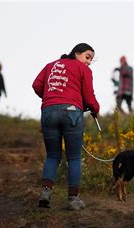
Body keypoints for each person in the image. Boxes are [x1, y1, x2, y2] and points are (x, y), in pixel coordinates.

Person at [32, 43, 100, 210]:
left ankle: (45, 195)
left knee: (52, 156)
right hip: (72, 113)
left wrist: (51, 96)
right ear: (76, 53)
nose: (89, 62)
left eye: (91, 59)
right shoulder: (83, 70)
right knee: (74, 157)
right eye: (87, 56)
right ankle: (73, 199)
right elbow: (89, 96)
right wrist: (95, 109)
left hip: (48, 112)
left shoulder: (50, 66)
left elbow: (36, 85)